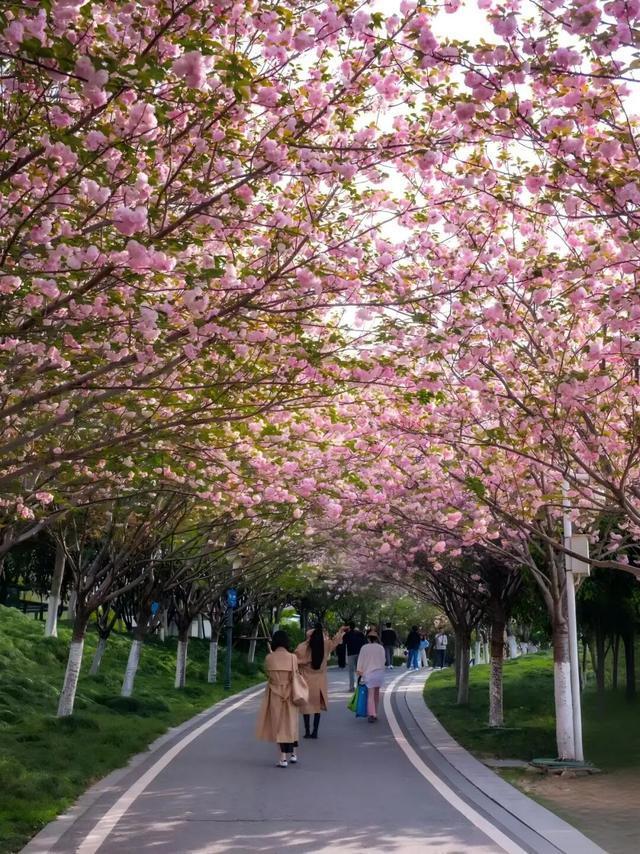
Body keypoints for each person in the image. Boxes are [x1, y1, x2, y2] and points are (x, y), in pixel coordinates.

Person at [256, 630, 301, 768]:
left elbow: (267, 674)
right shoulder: (293, 657)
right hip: (291, 693)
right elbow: (295, 675)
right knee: (291, 723)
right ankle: (293, 754)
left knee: (279, 724)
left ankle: (282, 758)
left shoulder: (269, 658)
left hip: (275, 693)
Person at [295, 624, 347, 738]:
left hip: (306, 683)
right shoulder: (326, 645)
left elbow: (294, 661)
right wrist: (340, 631)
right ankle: (315, 732)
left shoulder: (302, 647)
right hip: (320, 682)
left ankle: (307, 732)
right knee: (317, 708)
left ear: (308, 637)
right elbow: (336, 641)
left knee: (306, 708)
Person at [356, 631, 386, 722]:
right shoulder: (381, 648)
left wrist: (359, 672)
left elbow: (360, 661)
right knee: (376, 694)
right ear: (376, 638)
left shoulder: (364, 648)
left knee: (370, 695)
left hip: (369, 674)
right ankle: (375, 713)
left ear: (368, 638)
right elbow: (383, 661)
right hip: (379, 674)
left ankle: (371, 714)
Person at [343, 623, 367, 692]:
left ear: (349, 627)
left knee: (351, 671)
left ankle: (351, 687)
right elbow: (364, 642)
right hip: (359, 653)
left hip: (351, 654)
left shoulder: (347, 634)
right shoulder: (360, 633)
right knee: (359, 670)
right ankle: (359, 686)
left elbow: (343, 643)